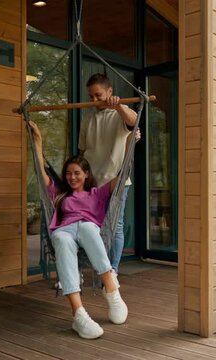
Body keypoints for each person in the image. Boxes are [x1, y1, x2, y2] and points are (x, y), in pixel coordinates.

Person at [30, 121, 127, 340]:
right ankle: (79, 315)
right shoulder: (59, 193)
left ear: (85, 174)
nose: (71, 177)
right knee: (62, 240)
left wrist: (130, 145)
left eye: (76, 173)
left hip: (88, 229)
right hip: (64, 230)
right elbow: (39, 168)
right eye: (68, 174)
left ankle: (111, 288)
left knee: (87, 228)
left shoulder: (97, 193)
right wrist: (37, 139)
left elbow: (122, 175)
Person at [79, 73, 138, 278]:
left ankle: (112, 270)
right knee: (90, 226)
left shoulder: (121, 113)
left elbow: (133, 121)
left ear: (110, 92)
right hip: (92, 182)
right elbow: (82, 151)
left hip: (116, 180)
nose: (94, 100)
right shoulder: (87, 117)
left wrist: (119, 105)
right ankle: (97, 266)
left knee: (115, 226)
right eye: (91, 96)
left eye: (98, 95)